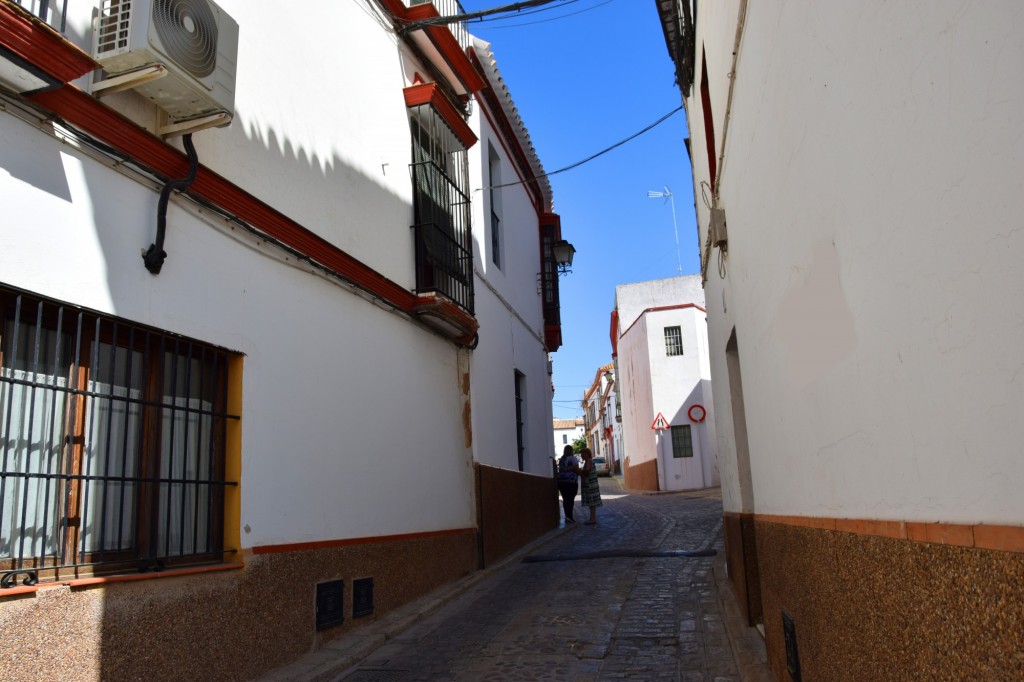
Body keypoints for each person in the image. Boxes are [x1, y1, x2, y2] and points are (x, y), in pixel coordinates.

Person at [556, 445, 580, 523]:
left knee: (565, 499)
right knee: (570, 500)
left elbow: (561, 469)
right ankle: (569, 516)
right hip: (571, 482)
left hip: (561, 483)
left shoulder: (561, 459)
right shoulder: (573, 459)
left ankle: (567, 516)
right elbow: (576, 469)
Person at [579, 447, 603, 525]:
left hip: (590, 485)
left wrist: (579, 471)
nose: (581, 455)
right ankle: (592, 518)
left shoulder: (588, 461)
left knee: (592, 503)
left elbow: (587, 471)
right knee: (592, 503)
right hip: (591, 485)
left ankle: (592, 519)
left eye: (582, 454)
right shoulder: (588, 461)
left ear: (586, 454)